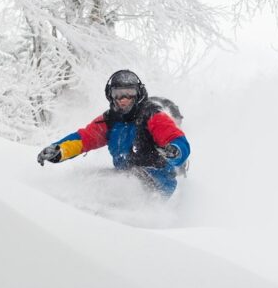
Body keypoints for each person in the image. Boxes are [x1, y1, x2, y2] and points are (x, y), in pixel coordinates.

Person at [37, 69, 191, 196]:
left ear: (138, 94)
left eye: (129, 93)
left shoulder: (152, 115)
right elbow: (84, 139)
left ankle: (137, 222)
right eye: (118, 94)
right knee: (95, 178)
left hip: (159, 183)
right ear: (111, 96)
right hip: (126, 179)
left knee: (128, 182)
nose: (123, 99)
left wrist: (175, 150)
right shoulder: (110, 121)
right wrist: (59, 150)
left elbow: (176, 138)